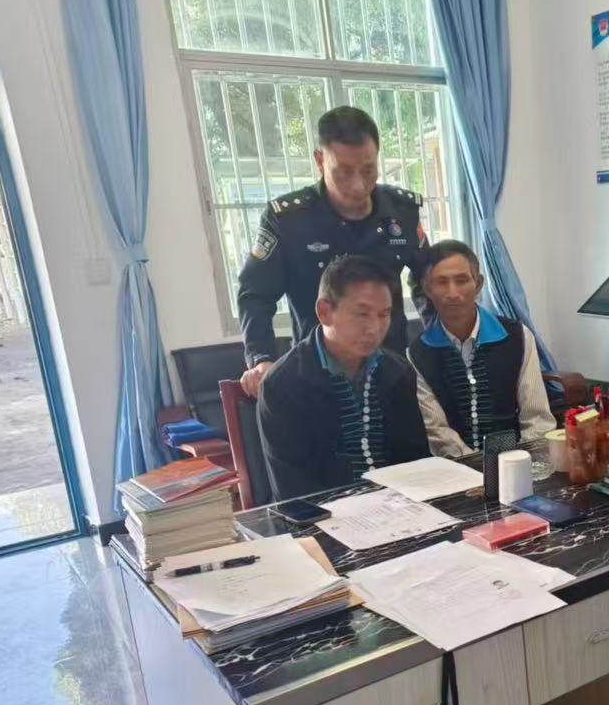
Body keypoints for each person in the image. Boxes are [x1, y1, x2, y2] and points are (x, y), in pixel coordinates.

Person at [238, 106, 427, 396]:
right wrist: (261, 358)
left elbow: (428, 276)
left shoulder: (401, 211)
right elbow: (255, 295)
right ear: (320, 161)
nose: (358, 185)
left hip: (390, 370)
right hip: (316, 375)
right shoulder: (289, 220)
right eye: (344, 172)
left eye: (368, 170)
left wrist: (435, 337)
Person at [257, 256, 429, 502]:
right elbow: (293, 492)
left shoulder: (397, 372)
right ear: (324, 311)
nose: (374, 328)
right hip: (326, 516)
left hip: (401, 509)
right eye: (362, 314)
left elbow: (416, 463)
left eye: (384, 315)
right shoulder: (283, 384)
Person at [407, 241, 555, 459]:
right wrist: (478, 469)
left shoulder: (517, 336)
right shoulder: (418, 353)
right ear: (428, 289)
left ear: (478, 284)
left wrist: (521, 465)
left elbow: (537, 419)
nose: (452, 293)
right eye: (441, 282)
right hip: (456, 468)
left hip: (518, 461)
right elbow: (437, 431)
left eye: (461, 280)